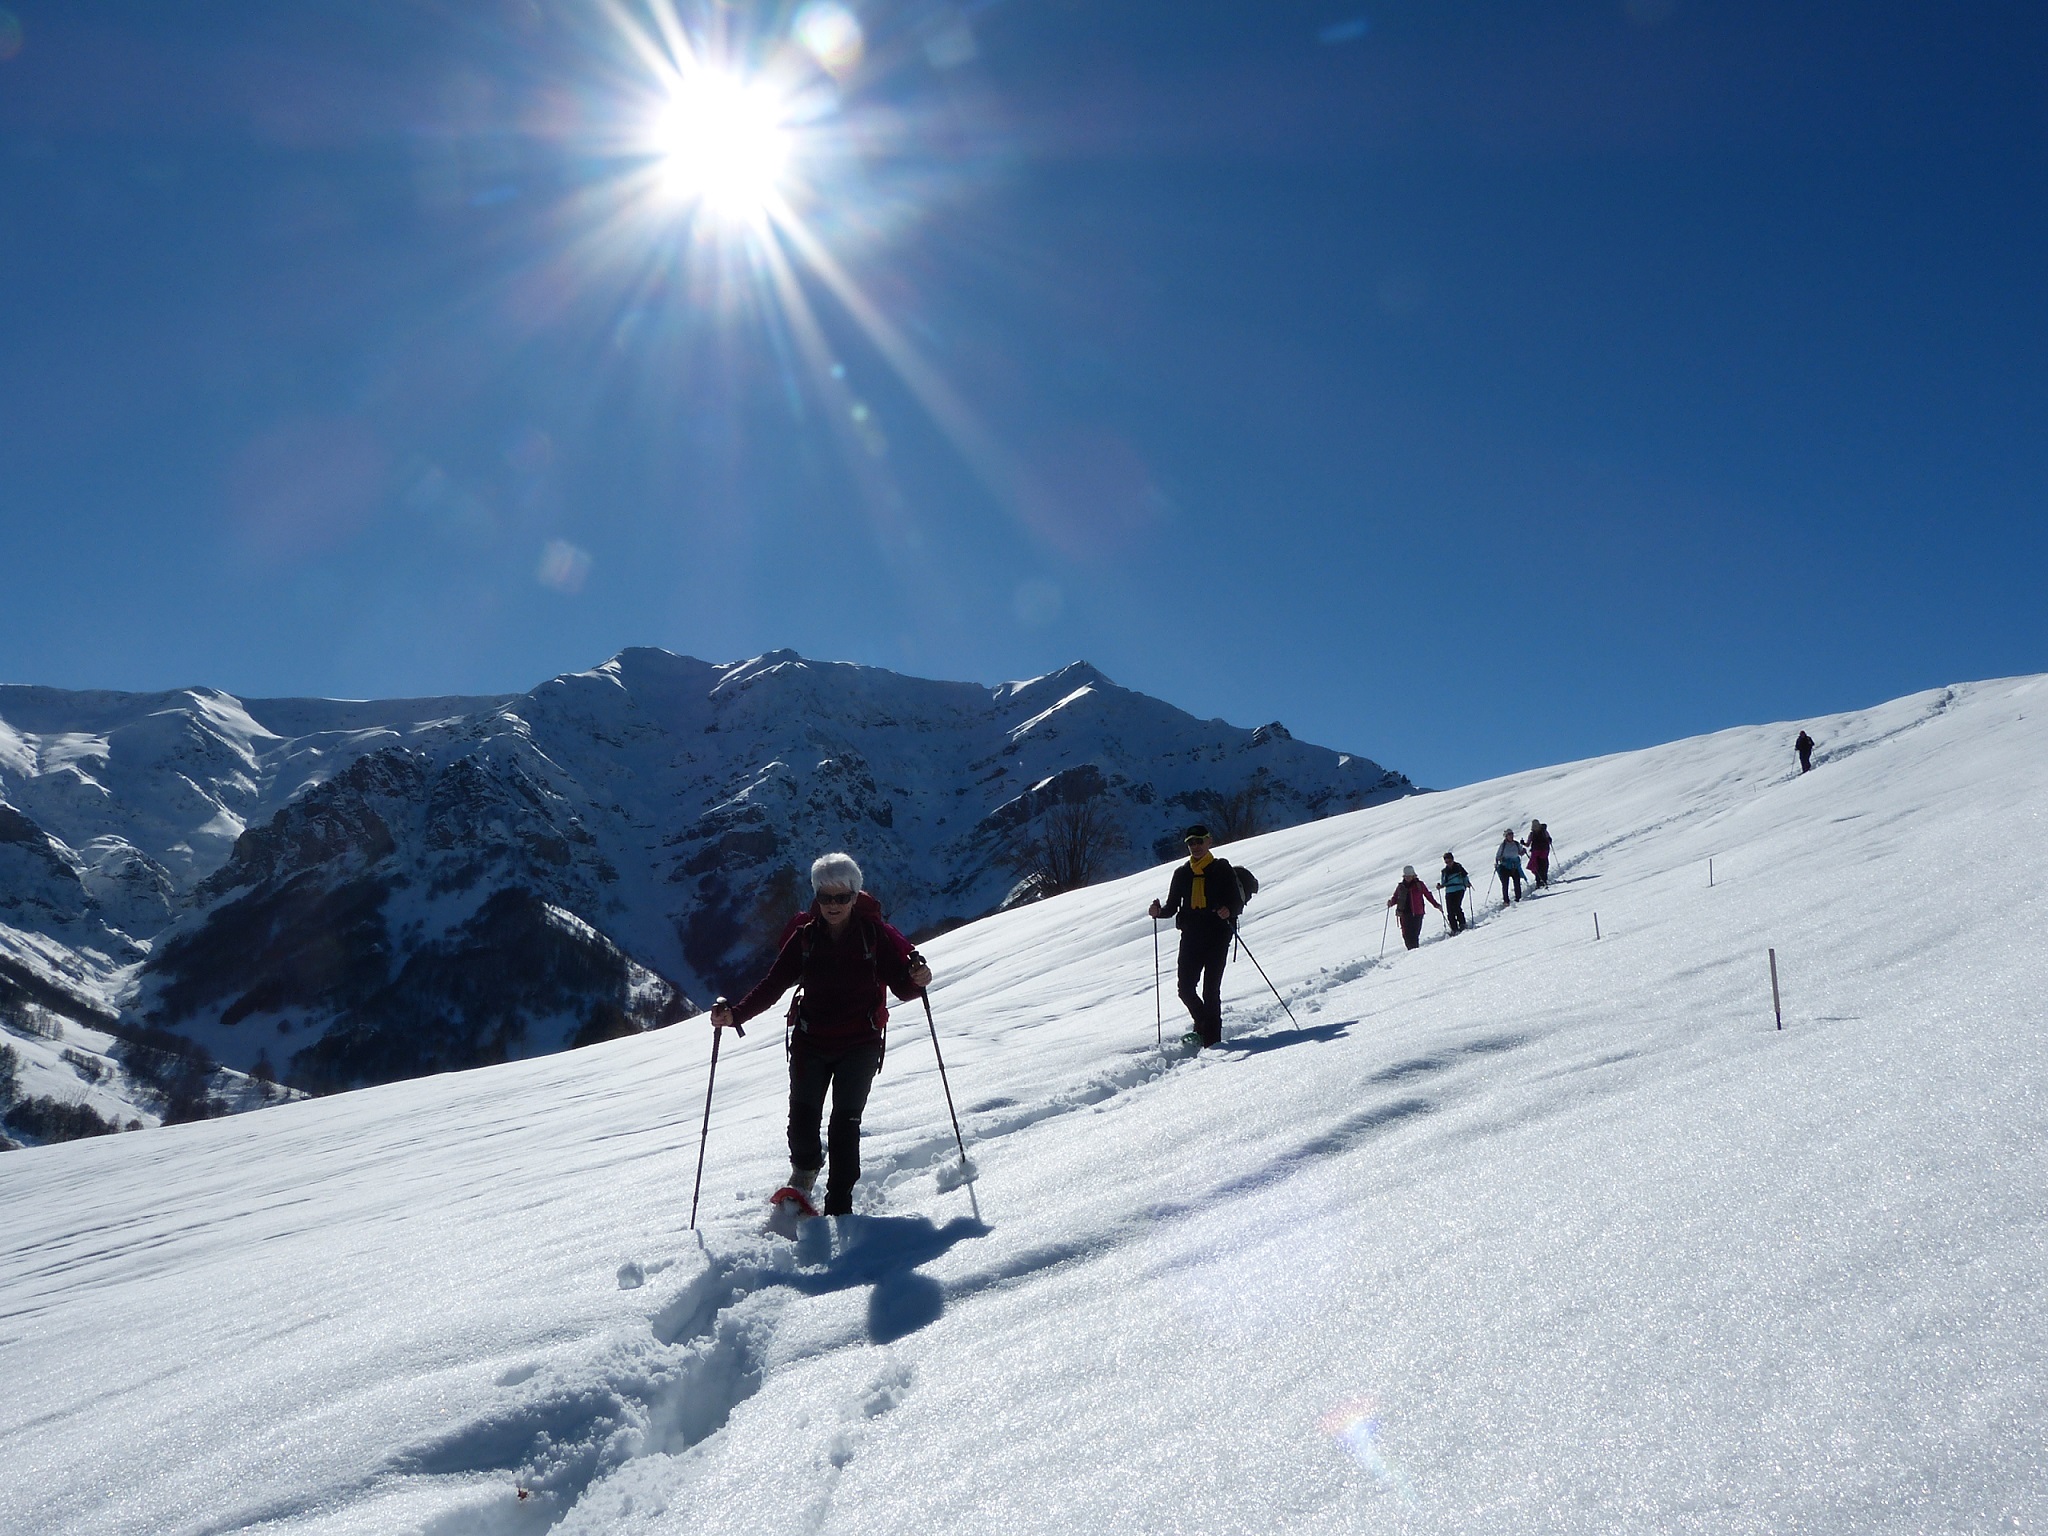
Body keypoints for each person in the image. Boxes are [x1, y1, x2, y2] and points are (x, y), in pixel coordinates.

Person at [711, 852, 931, 1217]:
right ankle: (805, 1174)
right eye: (825, 897)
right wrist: (735, 1015)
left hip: (860, 1043)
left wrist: (918, 980)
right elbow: (772, 985)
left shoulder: (873, 937)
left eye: (841, 897)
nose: (832, 905)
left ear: (855, 896)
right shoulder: (804, 938)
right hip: (811, 1042)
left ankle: (839, 1202)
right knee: (802, 1119)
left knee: (845, 1124)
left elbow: (902, 986)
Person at [1147, 824, 1238, 1049]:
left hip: (1218, 935)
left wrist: (1229, 910)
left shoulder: (1222, 868)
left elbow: (1235, 901)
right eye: (1190, 843)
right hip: (1191, 936)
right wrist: (1159, 913)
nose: (1195, 846)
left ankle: (1212, 1041)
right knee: (1185, 989)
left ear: (1209, 841)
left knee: (1210, 990)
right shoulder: (1182, 874)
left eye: (1199, 841)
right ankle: (1204, 1023)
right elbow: (1172, 907)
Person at [1387, 865, 1441, 950]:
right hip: (1404, 913)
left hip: (1417, 913)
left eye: (1409, 876)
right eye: (1406, 876)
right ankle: (1411, 951)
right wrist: (1391, 902)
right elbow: (1395, 897)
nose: (1408, 878)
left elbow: (1428, 895)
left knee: (1414, 934)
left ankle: (1414, 952)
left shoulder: (1419, 885)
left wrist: (1436, 905)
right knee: (1406, 935)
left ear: (1413, 876)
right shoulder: (1401, 886)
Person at [1439, 852, 1472, 933]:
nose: (1448, 863)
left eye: (1449, 861)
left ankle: (1461, 924)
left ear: (1452, 860)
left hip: (1459, 888)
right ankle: (1455, 928)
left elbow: (1465, 877)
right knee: (1450, 909)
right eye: (1446, 862)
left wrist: (1467, 883)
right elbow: (1443, 882)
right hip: (1450, 890)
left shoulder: (1458, 868)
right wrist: (1440, 886)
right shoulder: (1444, 871)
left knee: (1456, 906)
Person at [1495, 830, 1526, 905]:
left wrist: (1523, 852)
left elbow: (1520, 853)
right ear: (1506, 836)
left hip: (1514, 866)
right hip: (1505, 867)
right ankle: (1506, 900)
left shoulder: (1516, 844)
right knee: (1505, 884)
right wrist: (1499, 860)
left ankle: (1518, 897)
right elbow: (1498, 856)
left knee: (1517, 882)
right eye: (1509, 835)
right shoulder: (1503, 845)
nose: (1511, 836)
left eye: (1512, 834)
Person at [1526, 820, 1553, 888]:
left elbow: (1528, 844)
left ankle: (1540, 881)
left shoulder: (1533, 834)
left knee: (1538, 867)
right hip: (1543, 851)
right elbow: (1548, 840)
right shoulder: (1544, 832)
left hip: (1536, 852)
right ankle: (1543, 881)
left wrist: (1523, 843)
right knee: (1543, 866)